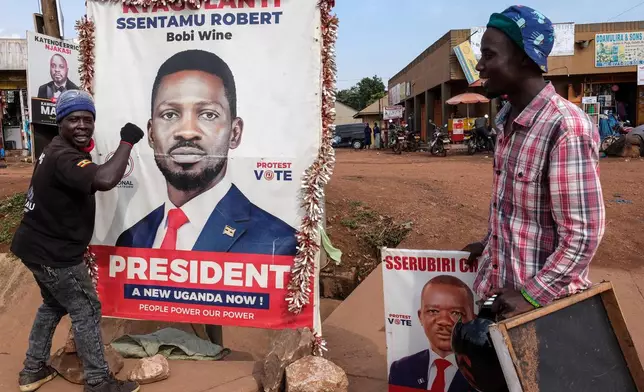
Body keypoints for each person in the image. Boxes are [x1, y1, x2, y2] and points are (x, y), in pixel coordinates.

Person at [463, 6, 605, 319]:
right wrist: (488, 245)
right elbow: (512, 207)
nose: (479, 65)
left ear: (526, 59)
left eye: (489, 55)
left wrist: (531, 294)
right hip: (500, 292)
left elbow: (583, 235)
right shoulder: (505, 121)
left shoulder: (566, 127)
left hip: (543, 310)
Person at [10, 90, 144, 392]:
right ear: (60, 122)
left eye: (87, 119)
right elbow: (106, 179)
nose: (82, 125)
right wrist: (128, 141)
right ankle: (98, 382)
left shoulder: (55, 148)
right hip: (54, 253)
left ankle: (33, 369)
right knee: (87, 309)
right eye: (73, 120)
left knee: (53, 305)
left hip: (34, 245)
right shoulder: (65, 157)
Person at [116, 49, 296, 255]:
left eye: (208, 115)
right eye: (170, 114)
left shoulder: (278, 243)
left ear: (234, 133)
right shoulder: (130, 239)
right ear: (151, 134)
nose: (187, 131)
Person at [389, 275, 476, 391]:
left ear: (473, 320)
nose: (444, 321)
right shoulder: (401, 369)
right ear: (421, 317)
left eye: (456, 313)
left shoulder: (489, 375)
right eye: (433, 311)